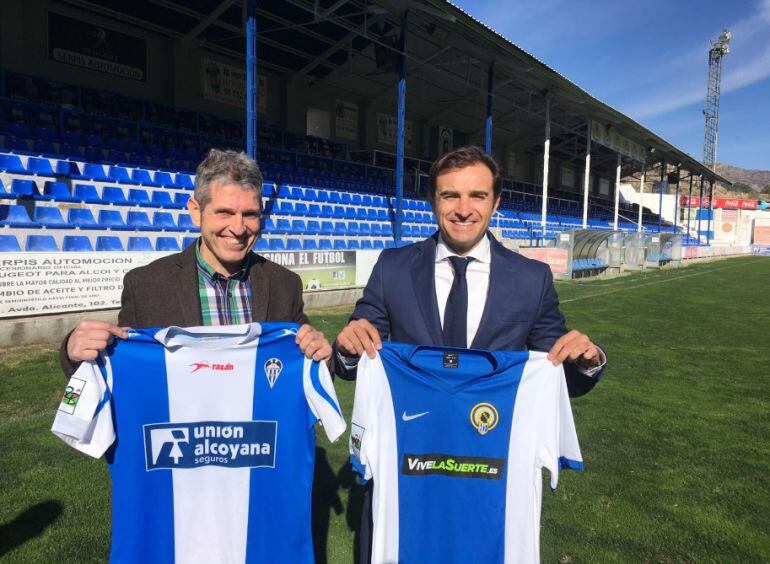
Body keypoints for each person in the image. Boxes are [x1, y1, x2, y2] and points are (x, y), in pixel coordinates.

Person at [333, 145, 606, 562]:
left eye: (477, 195)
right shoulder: (393, 267)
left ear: (496, 202)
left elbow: (554, 367)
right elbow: (358, 356)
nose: (463, 209)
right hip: (411, 465)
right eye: (450, 196)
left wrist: (586, 360)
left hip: (488, 470)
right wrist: (350, 346)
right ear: (432, 202)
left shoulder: (531, 279)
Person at [60, 149, 331, 377]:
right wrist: (74, 351)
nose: (238, 228)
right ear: (195, 211)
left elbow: (304, 365)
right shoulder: (145, 285)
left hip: (258, 437)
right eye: (224, 212)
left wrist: (320, 354)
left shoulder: (286, 284)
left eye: (250, 214)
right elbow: (122, 367)